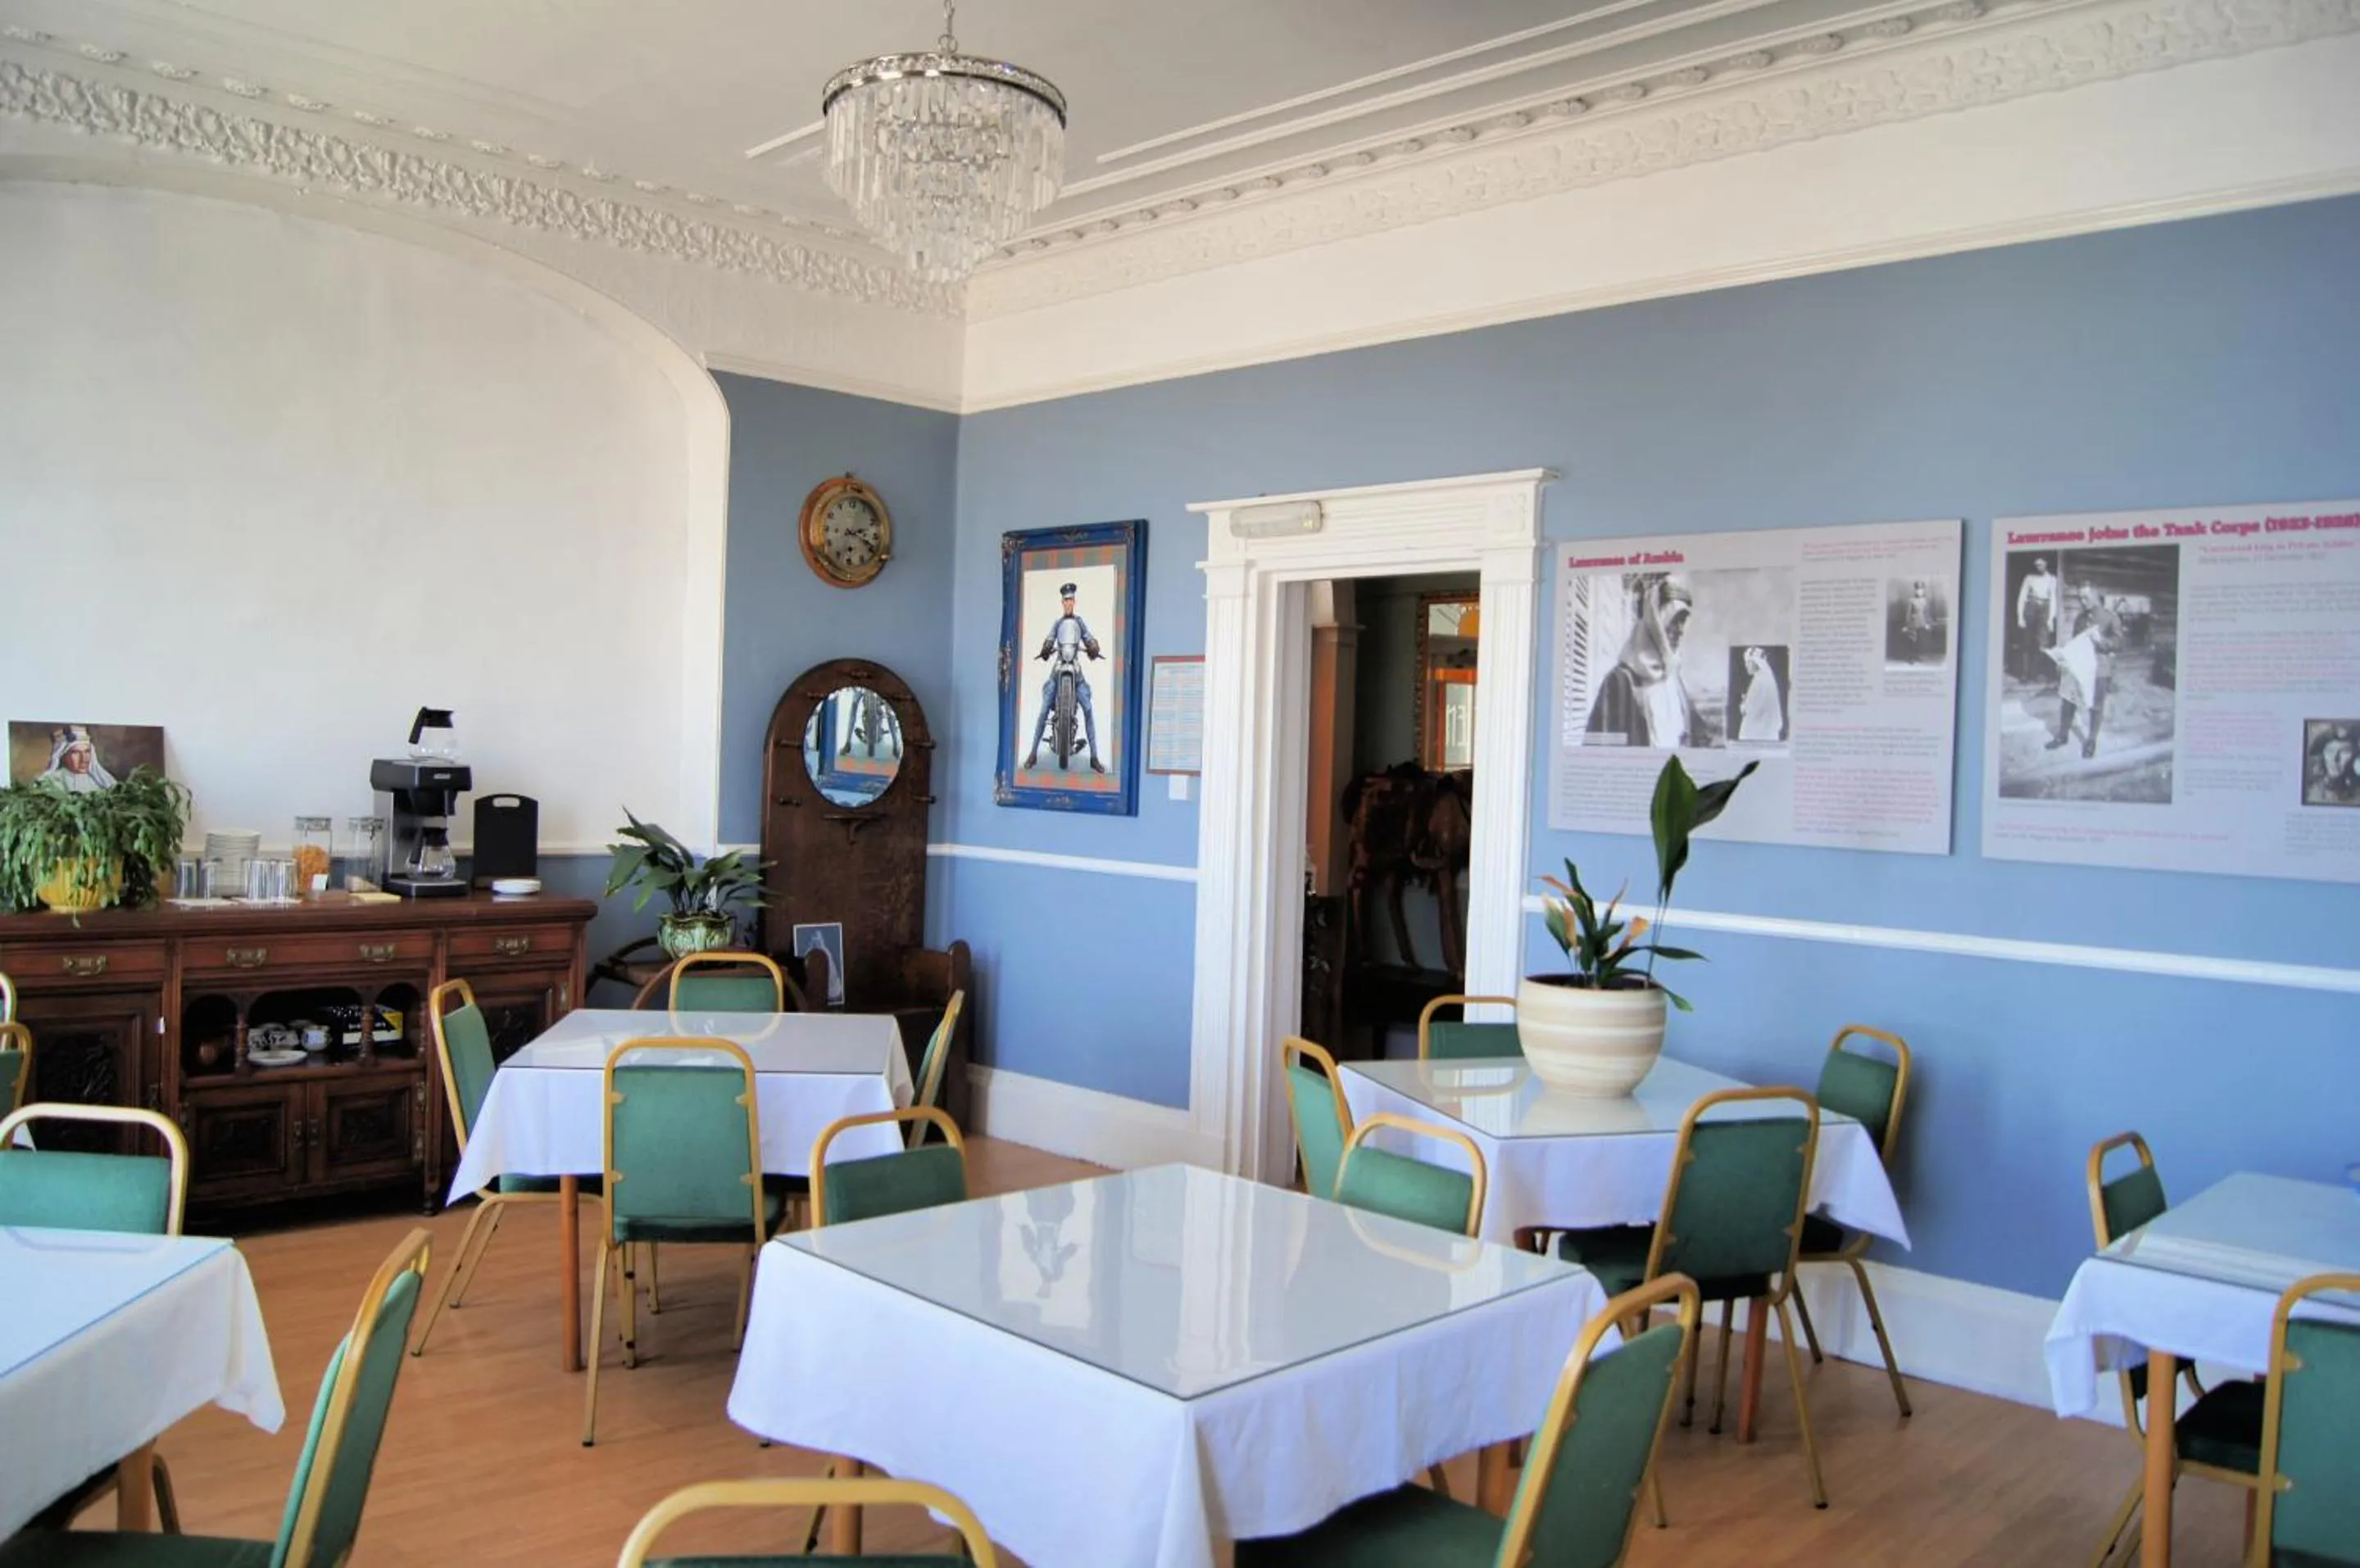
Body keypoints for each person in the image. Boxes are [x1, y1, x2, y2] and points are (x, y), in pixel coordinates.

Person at [1586, 573, 1704, 748]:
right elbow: (1598, 753)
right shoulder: (1619, 683)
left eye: (1683, 622)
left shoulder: (1674, 680)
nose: (1680, 630)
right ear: (1655, 620)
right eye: (1674, 620)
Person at [1025, 581, 1105, 773]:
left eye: (1071, 600)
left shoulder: (1079, 622)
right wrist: (1046, 647)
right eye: (1065, 601)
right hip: (1059, 667)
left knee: (1088, 708)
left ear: (1074, 602)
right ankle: (1033, 753)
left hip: (1075, 669)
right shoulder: (1058, 623)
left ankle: (1094, 757)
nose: (1068, 603)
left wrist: (1093, 646)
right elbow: (1050, 637)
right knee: (1044, 708)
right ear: (1062, 603)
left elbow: (1088, 637)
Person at [2047, 582, 2122, 759]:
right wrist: (2064, 656)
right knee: (2068, 701)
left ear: (2095, 596)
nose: (2082, 601)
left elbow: (2119, 643)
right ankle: (2062, 736)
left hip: (2099, 668)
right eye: (2080, 597)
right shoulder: (2080, 619)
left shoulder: (2110, 617)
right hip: (2079, 666)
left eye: (2085, 597)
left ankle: (2091, 741)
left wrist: (2101, 641)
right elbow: (2076, 643)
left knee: (2096, 707)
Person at [36, 725, 118, 792]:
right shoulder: (51, 782)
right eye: (76, 752)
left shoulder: (100, 781)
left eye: (87, 751)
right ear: (63, 756)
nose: (84, 759)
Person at [2014, 557, 2058, 682]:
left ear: (2046, 563)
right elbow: (2022, 596)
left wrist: (2050, 619)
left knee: (2042, 643)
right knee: (2027, 642)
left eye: (2041, 564)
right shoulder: (2029, 578)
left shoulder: (2052, 579)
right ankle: (2025, 674)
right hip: (2030, 608)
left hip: (2045, 609)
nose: (2038, 567)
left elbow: (2053, 599)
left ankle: (2036, 673)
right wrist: (2020, 617)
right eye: (2036, 565)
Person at [1737, 646, 1785, 742]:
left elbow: (1751, 710)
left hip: (1758, 732)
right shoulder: (1766, 678)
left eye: (1748, 662)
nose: (1746, 666)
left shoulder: (1759, 681)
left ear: (1756, 662)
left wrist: (1744, 705)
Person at [2306, 723, 2360, 805]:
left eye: (2344, 752)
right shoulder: (2315, 793)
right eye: (2330, 751)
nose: (2335, 759)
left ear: (2355, 755)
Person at [1900, 580, 1939, 664]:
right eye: (1917, 590)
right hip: (1913, 623)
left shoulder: (1926, 601)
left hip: (1922, 623)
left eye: (1921, 590)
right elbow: (1908, 614)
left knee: (1919, 642)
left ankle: (1916, 656)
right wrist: (1906, 625)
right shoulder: (1911, 601)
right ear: (1915, 591)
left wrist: (1928, 624)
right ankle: (1909, 658)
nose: (1919, 592)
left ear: (1923, 591)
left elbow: (1927, 614)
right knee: (1912, 641)